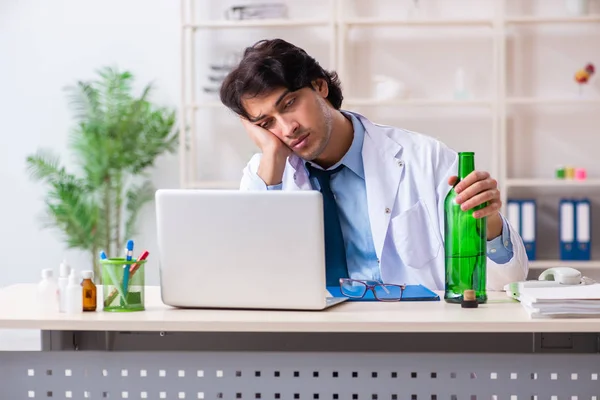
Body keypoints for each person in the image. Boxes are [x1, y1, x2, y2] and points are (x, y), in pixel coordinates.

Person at [219, 38, 528, 291]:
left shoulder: (424, 157)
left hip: (413, 342)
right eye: (267, 122)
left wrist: (487, 223)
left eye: (289, 105)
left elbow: (508, 281)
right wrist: (272, 155)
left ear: (320, 86)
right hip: (313, 345)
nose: (287, 129)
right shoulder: (266, 176)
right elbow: (248, 280)